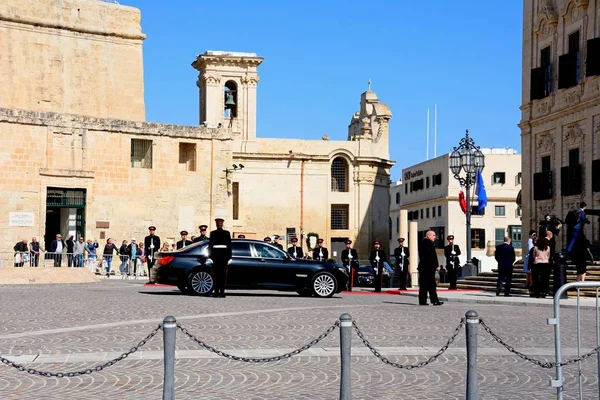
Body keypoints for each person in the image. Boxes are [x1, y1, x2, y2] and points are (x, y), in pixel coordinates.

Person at [418, 231, 443, 306]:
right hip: (428, 268)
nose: (435, 237)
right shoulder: (428, 243)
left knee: (424, 285)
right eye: (434, 235)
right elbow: (432, 256)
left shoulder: (422, 242)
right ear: (428, 236)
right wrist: (436, 265)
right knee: (431, 285)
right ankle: (434, 300)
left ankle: (422, 301)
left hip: (423, 267)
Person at [209, 217, 232, 298]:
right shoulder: (226, 233)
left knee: (216, 275)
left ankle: (217, 292)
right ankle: (221, 292)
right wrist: (229, 257)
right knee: (221, 276)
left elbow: (210, 246)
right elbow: (229, 246)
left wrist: (210, 257)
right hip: (223, 257)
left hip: (216, 257)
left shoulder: (213, 233)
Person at [568, 202, 590, 282]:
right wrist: (587, 221)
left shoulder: (576, 211)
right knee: (577, 238)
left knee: (573, 240)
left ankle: (569, 250)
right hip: (578, 228)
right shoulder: (582, 212)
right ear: (584, 207)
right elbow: (583, 219)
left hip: (574, 228)